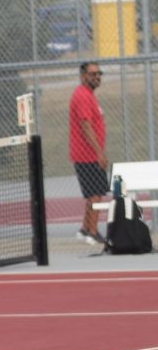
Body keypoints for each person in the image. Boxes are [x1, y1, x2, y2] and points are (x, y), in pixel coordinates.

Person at [69, 61, 109, 245]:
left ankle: (85, 229)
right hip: (87, 155)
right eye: (93, 74)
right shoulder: (83, 96)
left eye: (99, 73)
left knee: (94, 192)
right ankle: (93, 231)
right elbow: (86, 125)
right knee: (96, 194)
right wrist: (99, 153)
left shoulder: (88, 95)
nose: (97, 77)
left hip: (89, 154)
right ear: (83, 76)